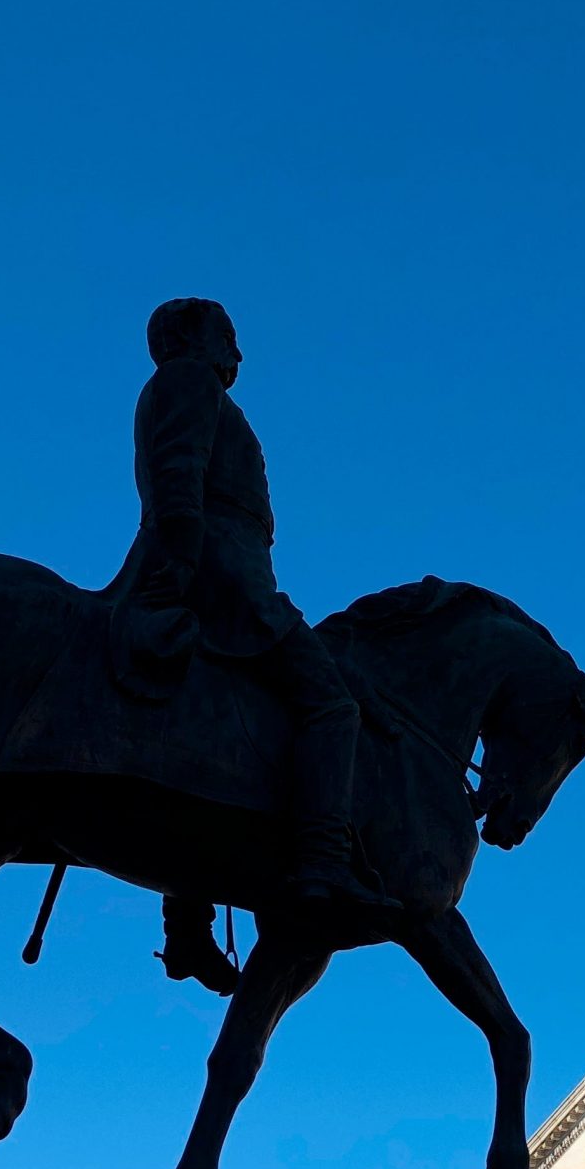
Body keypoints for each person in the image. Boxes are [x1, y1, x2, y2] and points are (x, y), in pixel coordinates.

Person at [111, 296, 372, 991]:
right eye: (229, 337)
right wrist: (185, 567)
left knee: (209, 739)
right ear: (195, 339)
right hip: (221, 573)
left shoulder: (183, 387)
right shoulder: (190, 381)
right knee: (331, 705)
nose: (239, 353)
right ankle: (322, 861)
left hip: (218, 565)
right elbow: (178, 476)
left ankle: (187, 931)